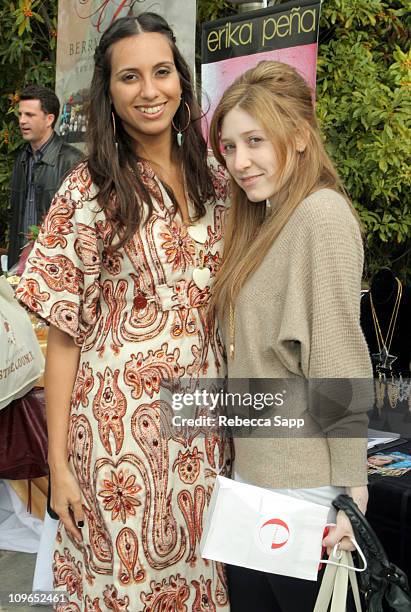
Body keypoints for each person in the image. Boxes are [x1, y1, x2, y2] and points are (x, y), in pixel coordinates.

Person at [16, 13, 231, 611]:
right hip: (115, 442)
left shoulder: (217, 181)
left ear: (182, 82)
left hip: (204, 436)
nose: (149, 90)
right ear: (107, 92)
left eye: (162, 72)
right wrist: (57, 465)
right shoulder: (87, 190)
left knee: (201, 584)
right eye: (129, 77)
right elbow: (63, 338)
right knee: (123, 591)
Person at [209, 60, 372, 611]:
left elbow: (339, 359)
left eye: (255, 140)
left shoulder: (320, 216)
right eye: (230, 147)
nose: (240, 161)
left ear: (299, 136)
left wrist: (353, 497)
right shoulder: (267, 221)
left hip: (304, 494)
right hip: (254, 486)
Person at [7, 85, 82, 269]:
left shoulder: (73, 161)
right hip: (20, 267)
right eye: (21, 114)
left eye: (30, 115)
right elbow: (15, 215)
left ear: (49, 119)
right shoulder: (21, 160)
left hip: (56, 268)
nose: (22, 121)